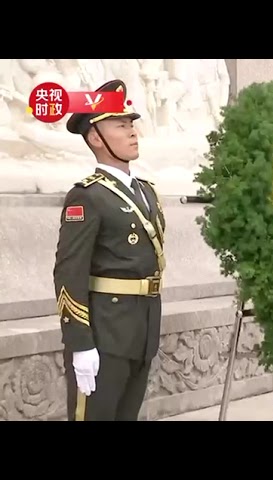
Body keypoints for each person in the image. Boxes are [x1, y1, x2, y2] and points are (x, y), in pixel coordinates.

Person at [53, 79, 166, 421]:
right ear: (95, 138)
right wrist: (80, 343)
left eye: (132, 124)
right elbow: (68, 273)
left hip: (142, 330)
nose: (132, 132)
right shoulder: (87, 197)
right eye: (120, 125)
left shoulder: (147, 192)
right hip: (105, 335)